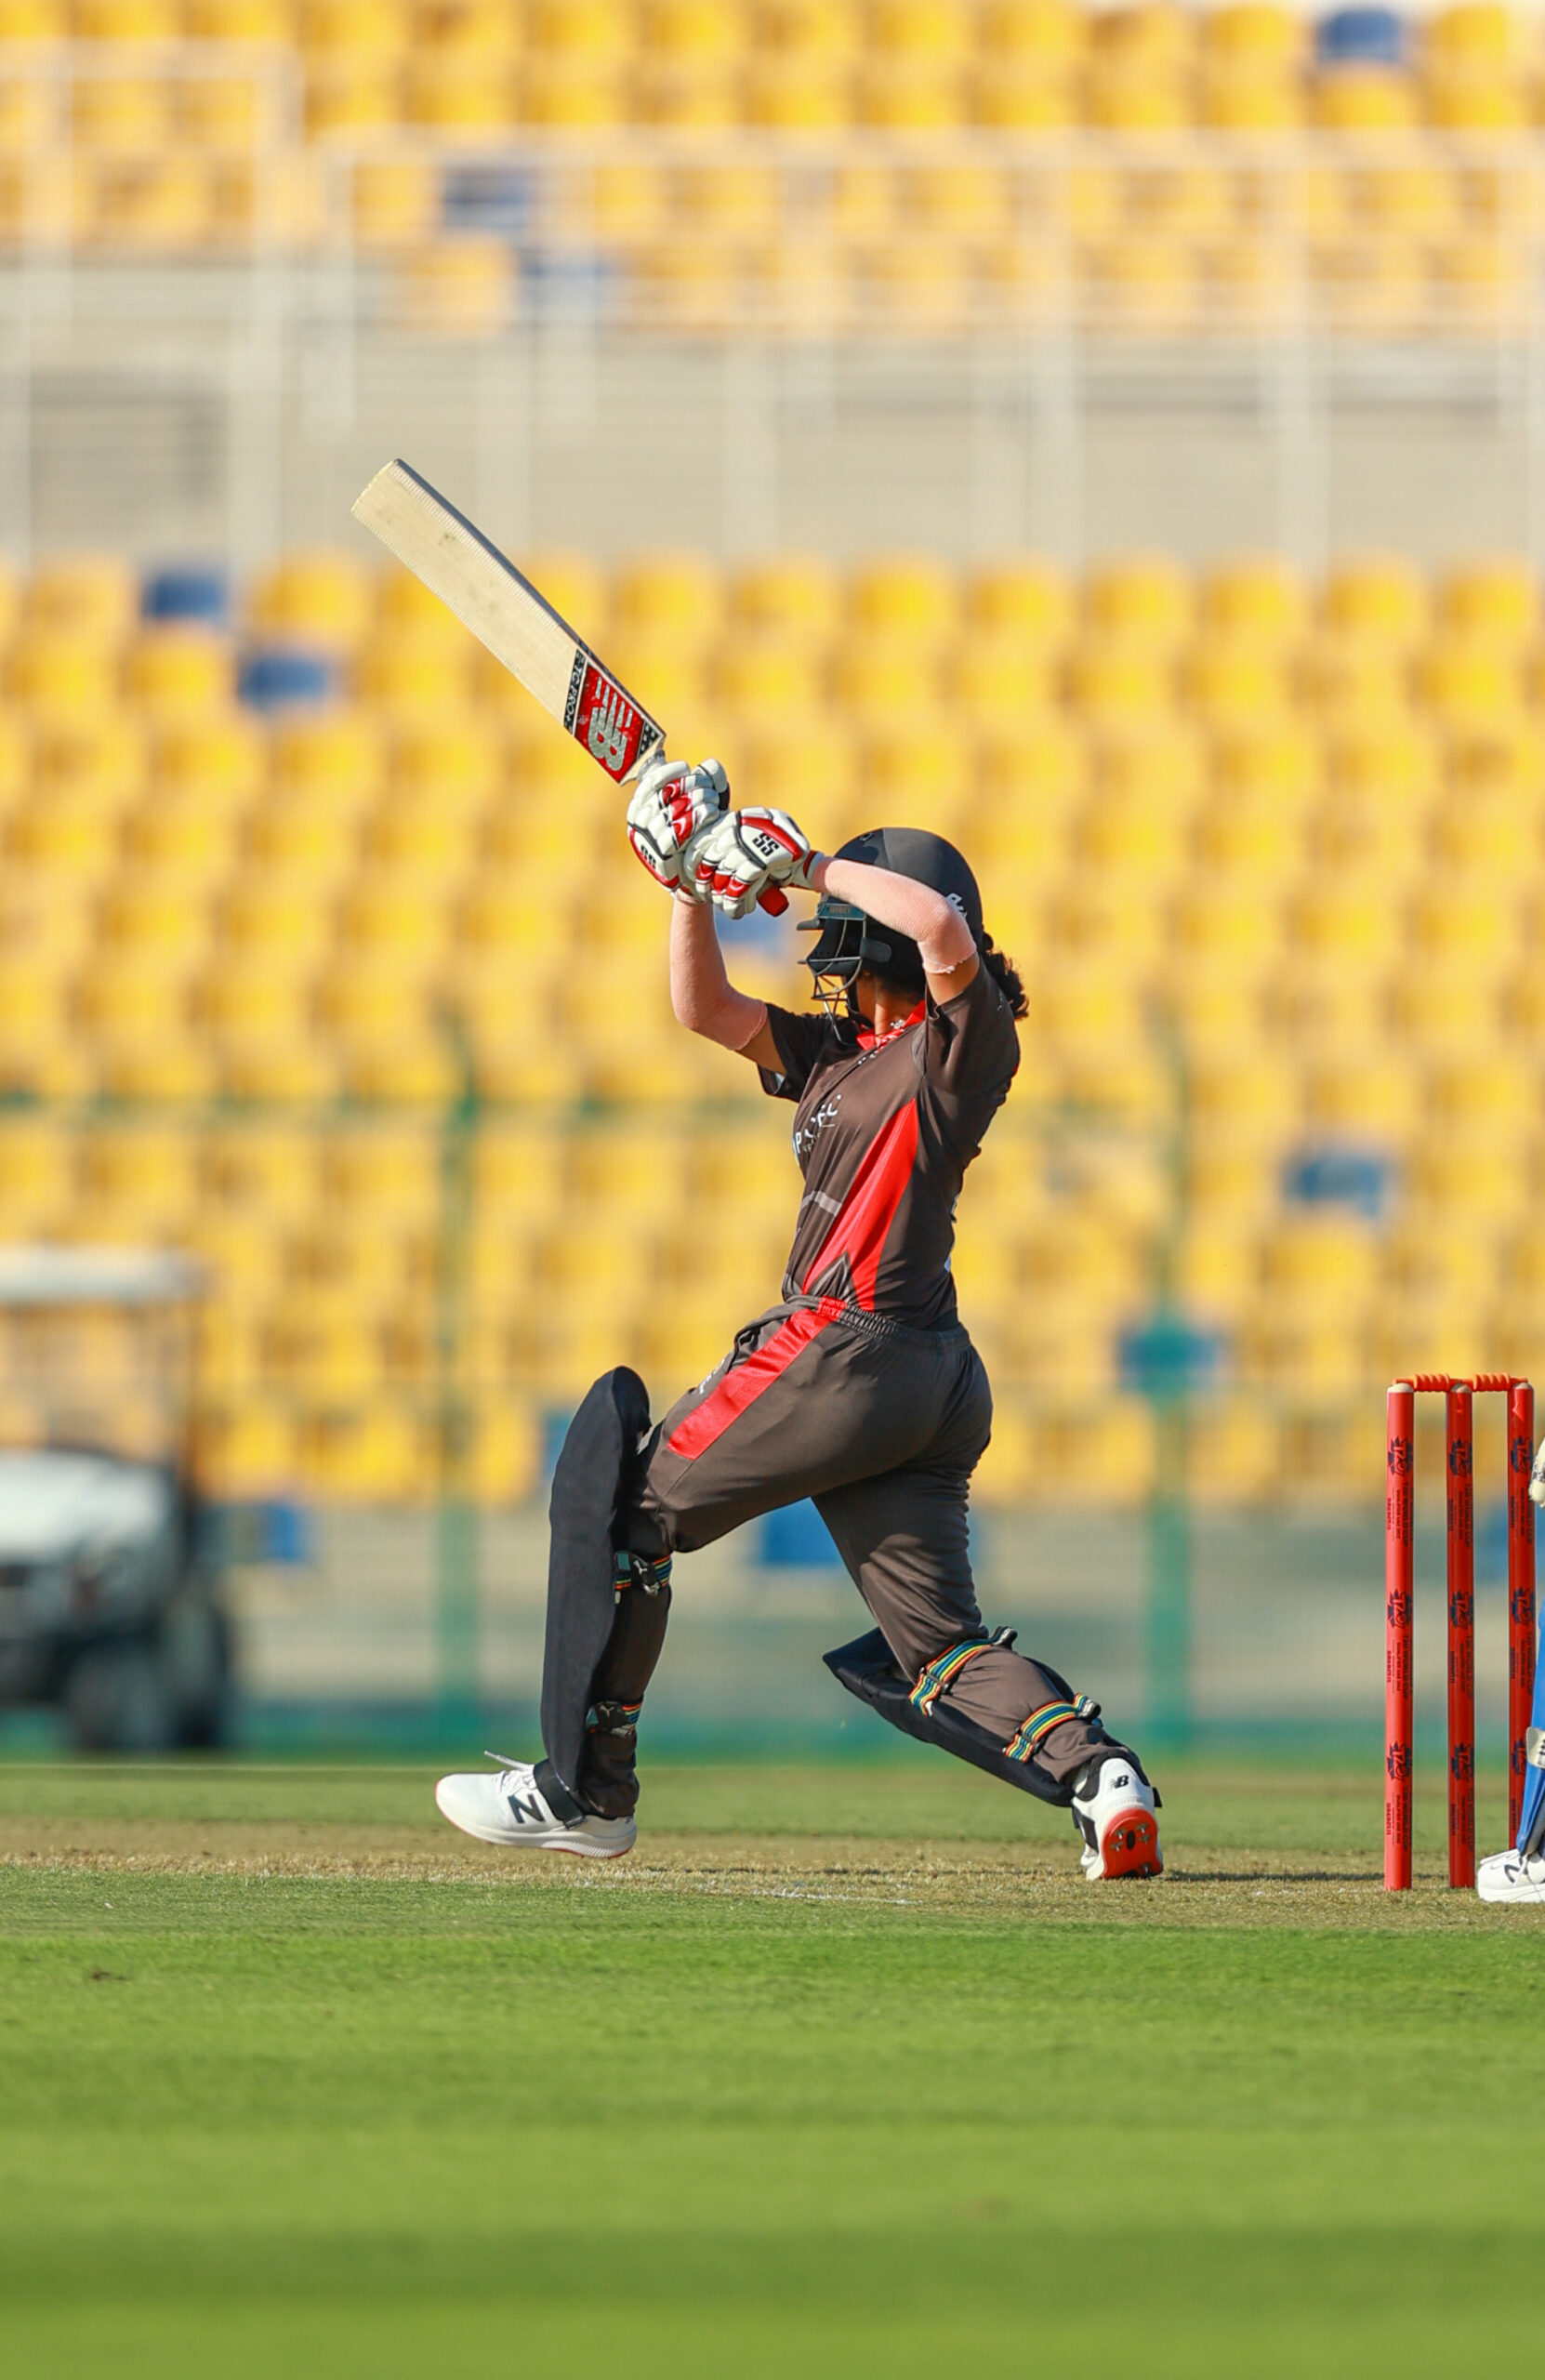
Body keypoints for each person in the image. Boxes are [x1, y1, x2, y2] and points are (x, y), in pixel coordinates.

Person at [434, 761, 1162, 1882]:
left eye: (843, 951)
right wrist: (685, 879)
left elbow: (944, 931)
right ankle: (1100, 1779)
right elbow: (704, 1009)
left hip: (846, 1352)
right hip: (925, 1378)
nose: (831, 975)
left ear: (881, 959)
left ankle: (587, 1791)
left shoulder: (956, 1056)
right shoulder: (836, 1062)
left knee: (630, 1509)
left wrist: (811, 863)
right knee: (937, 1648)